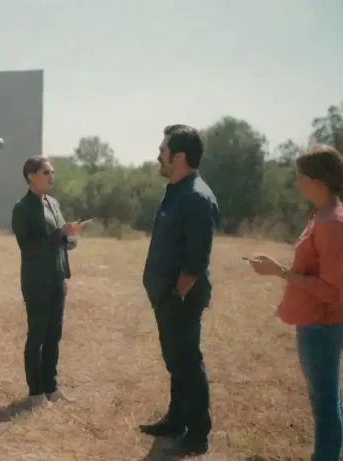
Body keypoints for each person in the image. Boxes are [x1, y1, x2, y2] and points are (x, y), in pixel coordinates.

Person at [247, 145, 343, 461]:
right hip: (315, 321)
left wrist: (278, 271)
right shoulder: (321, 214)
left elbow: (331, 289)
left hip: (322, 323)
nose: (297, 182)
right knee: (326, 401)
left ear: (318, 179)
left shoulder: (333, 221)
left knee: (324, 403)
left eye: (301, 175)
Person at [140, 124, 219, 456]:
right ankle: (177, 419)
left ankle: (198, 432)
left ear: (179, 156)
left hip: (180, 298)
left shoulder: (196, 197)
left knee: (187, 362)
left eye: (163, 150)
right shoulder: (176, 189)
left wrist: (175, 295)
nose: (159, 155)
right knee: (176, 361)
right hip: (167, 296)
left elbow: (195, 262)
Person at [11, 156, 89, 408]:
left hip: (57, 278)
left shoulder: (53, 203)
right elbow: (29, 247)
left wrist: (70, 239)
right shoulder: (22, 208)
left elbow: (58, 241)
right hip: (36, 282)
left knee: (54, 335)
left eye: (52, 172)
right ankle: (36, 394)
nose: (51, 176)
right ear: (31, 175)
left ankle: (51, 388)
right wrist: (60, 234)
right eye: (46, 172)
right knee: (38, 337)